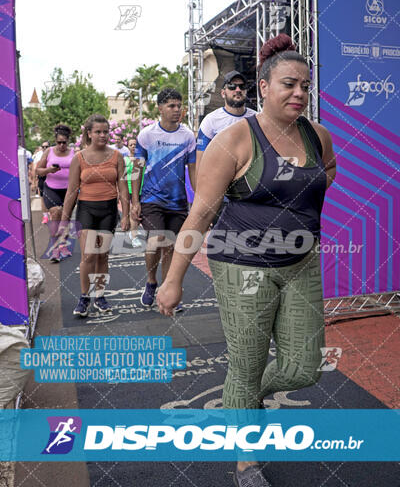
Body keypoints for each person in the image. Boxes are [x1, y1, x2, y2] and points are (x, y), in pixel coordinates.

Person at [157, 34, 337, 487]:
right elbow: (200, 213)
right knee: (247, 362)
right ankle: (246, 462)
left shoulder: (318, 136)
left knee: (304, 367)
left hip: (301, 264)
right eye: (289, 84)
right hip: (241, 266)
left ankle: (245, 400)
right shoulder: (235, 140)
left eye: (305, 86)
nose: (299, 93)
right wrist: (173, 280)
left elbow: (327, 171)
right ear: (263, 87)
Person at [131, 88, 196, 308]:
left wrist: (197, 201)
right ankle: (151, 282)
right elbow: (135, 170)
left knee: (170, 246)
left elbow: (194, 171)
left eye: (179, 105)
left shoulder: (187, 136)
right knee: (155, 240)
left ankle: (168, 289)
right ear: (160, 108)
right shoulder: (147, 135)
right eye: (171, 106)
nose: (177, 110)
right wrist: (134, 202)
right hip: (151, 200)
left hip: (177, 202)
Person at [60, 114, 130, 317]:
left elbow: (123, 188)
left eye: (105, 131)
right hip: (86, 210)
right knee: (89, 254)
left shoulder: (117, 156)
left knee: (102, 256)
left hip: (108, 210)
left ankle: (100, 296)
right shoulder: (78, 158)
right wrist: (64, 219)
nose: (102, 135)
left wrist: (125, 215)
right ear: (89, 133)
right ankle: (85, 297)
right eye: (98, 131)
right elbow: (72, 191)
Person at [196, 70, 256, 174]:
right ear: (223, 93)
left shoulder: (257, 118)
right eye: (232, 86)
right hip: (220, 181)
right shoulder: (210, 121)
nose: (238, 90)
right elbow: (200, 163)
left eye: (242, 86)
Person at [36, 126, 74, 262]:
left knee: (65, 218)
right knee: (56, 213)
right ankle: (55, 248)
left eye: (64, 142)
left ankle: (63, 244)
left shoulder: (74, 152)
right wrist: (49, 170)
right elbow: (38, 170)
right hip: (51, 188)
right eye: (59, 142)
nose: (62, 145)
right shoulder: (49, 152)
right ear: (55, 141)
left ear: (68, 141)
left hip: (69, 190)